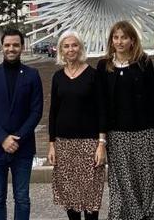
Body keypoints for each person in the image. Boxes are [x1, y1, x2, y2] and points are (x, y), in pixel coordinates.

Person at [96, 20, 154, 220]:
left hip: (144, 132)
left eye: (124, 37)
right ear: (111, 41)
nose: (119, 41)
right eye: (116, 37)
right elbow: (101, 103)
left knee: (146, 181)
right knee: (121, 184)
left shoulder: (144, 62)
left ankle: (145, 217)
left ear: (132, 40)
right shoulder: (104, 66)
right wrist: (102, 137)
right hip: (117, 135)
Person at [0, 28, 43, 220]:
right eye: (7, 45)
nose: (11, 48)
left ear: (22, 47)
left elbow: (36, 112)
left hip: (23, 148)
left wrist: (17, 139)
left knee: (22, 198)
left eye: (15, 45)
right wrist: (3, 139)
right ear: (1, 46)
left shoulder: (32, 75)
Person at [47, 31, 106, 220]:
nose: (71, 49)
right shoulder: (57, 77)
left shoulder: (93, 75)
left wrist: (101, 144)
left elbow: (102, 111)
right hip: (64, 145)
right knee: (70, 199)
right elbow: (53, 112)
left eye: (74, 45)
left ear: (80, 48)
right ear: (61, 50)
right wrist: (52, 144)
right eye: (66, 46)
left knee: (90, 200)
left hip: (89, 144)